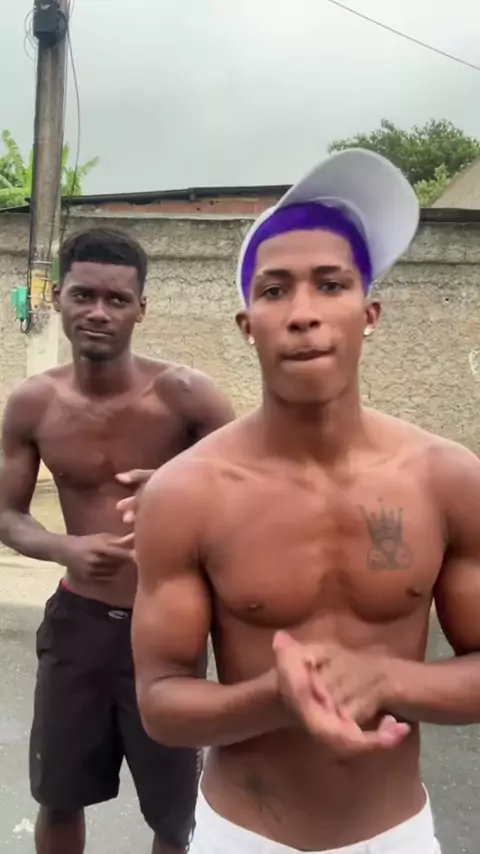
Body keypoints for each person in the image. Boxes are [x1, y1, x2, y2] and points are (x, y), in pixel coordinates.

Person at [131, 148, 480, 854]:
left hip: (395, 836)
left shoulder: (446, 478)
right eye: (274, 291)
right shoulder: (187, 493)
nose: (303, 314)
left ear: (369, 312)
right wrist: (274, 698)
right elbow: (161, 702)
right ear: (247, 325)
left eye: (330, 285)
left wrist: (385, 677)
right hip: (242, 836)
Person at [0, 226, 234, 854]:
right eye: (83, 295)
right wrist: (64, 548)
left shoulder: (187, 396)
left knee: (175, 817)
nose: (98, 312)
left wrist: (177, 489)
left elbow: (252, 495)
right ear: (58, 298)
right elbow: (6, 514)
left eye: (116, 299)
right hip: (78, 624)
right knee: (59, 795)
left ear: (141, 309)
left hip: (168, 626)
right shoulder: (33, 404)